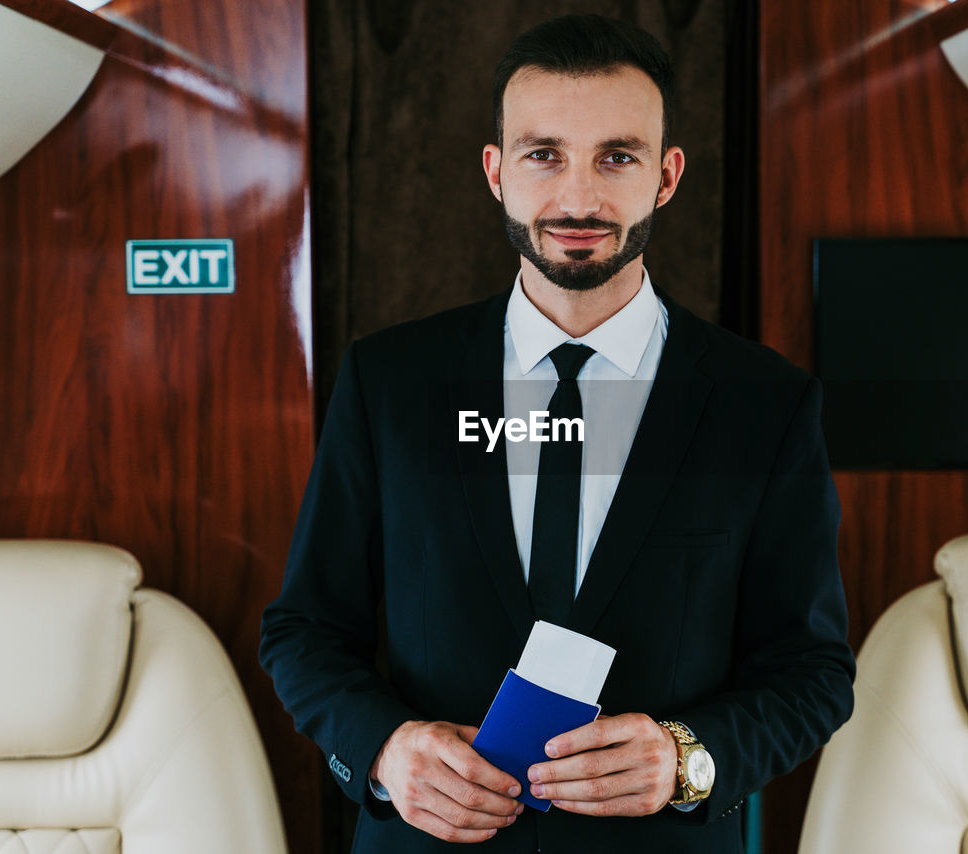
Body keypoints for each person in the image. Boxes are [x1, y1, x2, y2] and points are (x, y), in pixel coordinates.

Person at [259, 14, 854, 854]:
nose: (579, 198)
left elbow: (813, 672)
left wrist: (689, 760)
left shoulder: (767, 403)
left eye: (618, 156)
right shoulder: (390, 382)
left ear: (666, 175)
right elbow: (305, 630)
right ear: (497, 172)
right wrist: (387, 750)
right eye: (544, 155)